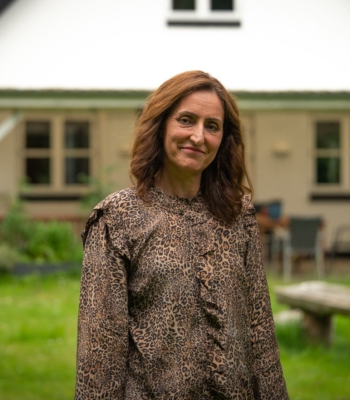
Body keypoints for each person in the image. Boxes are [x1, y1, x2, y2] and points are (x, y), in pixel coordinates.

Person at [75, 70, 289, 399]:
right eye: (186, 120)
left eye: (212, 126)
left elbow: (260, 333)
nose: (198, 137)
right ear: (160, 126)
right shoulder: (118, 218)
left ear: (224, 139)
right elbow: (99, 355)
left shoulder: (238, 216)